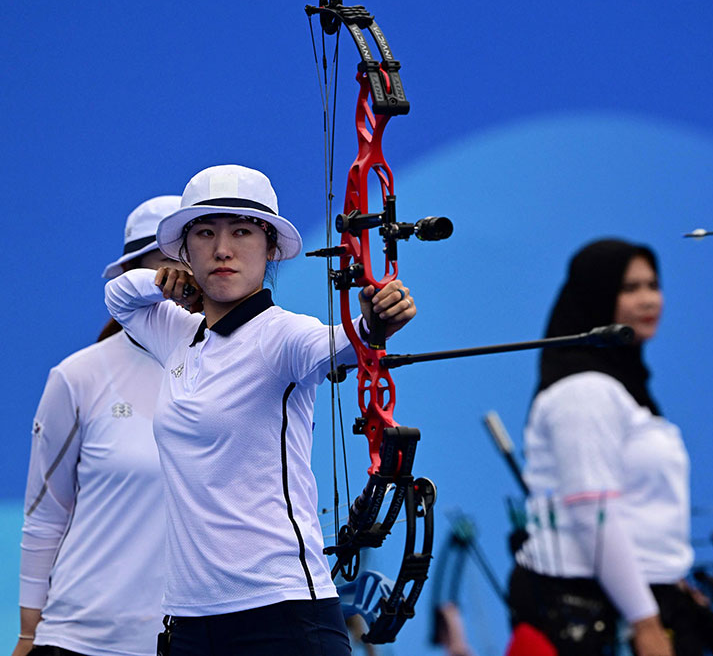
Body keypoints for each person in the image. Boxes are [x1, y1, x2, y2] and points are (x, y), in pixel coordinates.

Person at [104, 164, 416, 656]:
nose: (222, 249)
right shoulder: (178, 335)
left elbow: (340, 345)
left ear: (271, 248)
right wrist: (162, 283)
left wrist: (373, 323)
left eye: (242, 232)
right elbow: (118, 298)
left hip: (282, 614)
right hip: (189, 619)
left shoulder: (283, 335)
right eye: (205, 233)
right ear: (185, 252)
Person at [507, 239, 713, 656]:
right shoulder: (584, 391)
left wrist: (668, 581)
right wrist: (646, 623)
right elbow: (594, 515)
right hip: (590, 610)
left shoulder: (624, 387)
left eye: (652, 284)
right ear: (596, 296)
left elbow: (636, 510)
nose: (648, 300)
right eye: (629, 289)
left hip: (633, 600)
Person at [16, 195, 184, 656]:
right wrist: (29, 634)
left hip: (200, 641)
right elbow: (45, 514)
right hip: (81, 642)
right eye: (165, 266)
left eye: (190, 258)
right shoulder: (78, 376)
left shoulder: (240, 374)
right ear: (134, 278)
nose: (181, 280)